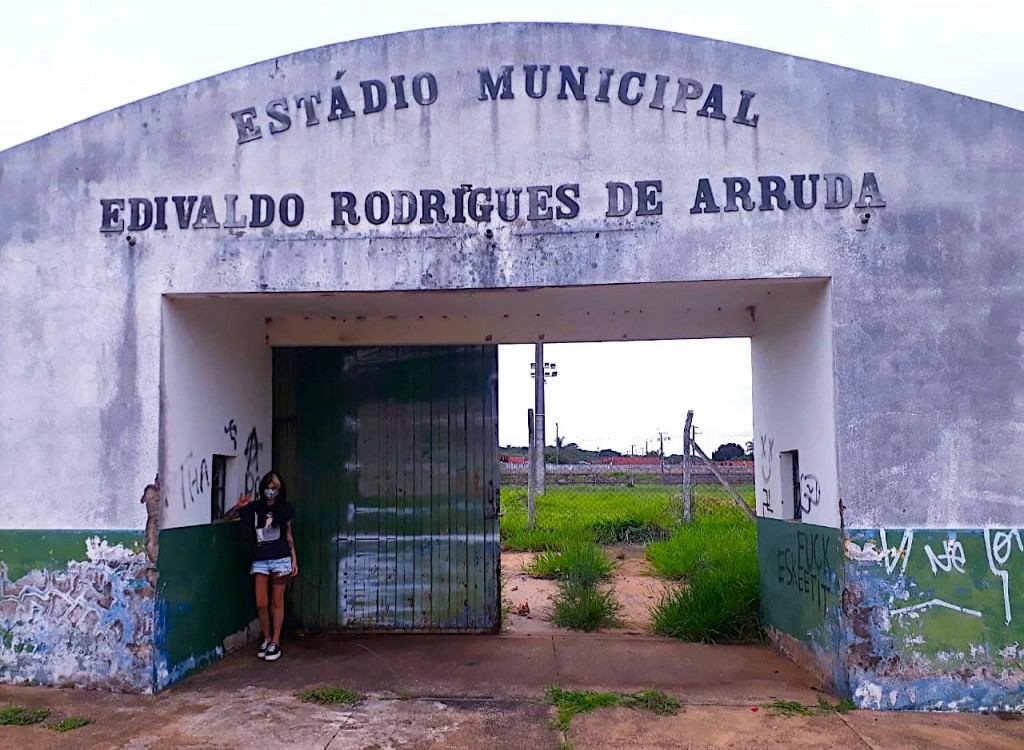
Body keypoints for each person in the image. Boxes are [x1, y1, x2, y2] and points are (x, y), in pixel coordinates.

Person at [237, 470, 297, 662]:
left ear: (279, 490)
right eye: (268, 488)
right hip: (260, 559)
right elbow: (232, 515)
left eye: (274, 488)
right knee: (261, 601)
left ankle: (276, 641)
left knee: (277, 601)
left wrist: (294, 559)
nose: (271, 491)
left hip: (281, 559)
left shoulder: (284, 509)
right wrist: (239, 506)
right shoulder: (255, 508)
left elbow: (288, 535)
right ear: (262, 488)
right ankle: (267, 637)